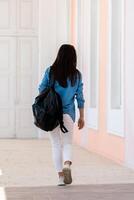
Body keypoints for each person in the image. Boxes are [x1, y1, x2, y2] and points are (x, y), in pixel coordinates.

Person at [38, 44, 85, 186]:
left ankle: (60, 178)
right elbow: (80, 97)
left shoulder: (50, 71)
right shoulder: (76, 75)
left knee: (56, 145)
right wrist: (82, 117)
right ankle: (67, 164)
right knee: (68, 143)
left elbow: (41, 89)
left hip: (52, 114)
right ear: (73, 57)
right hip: (68, 114)